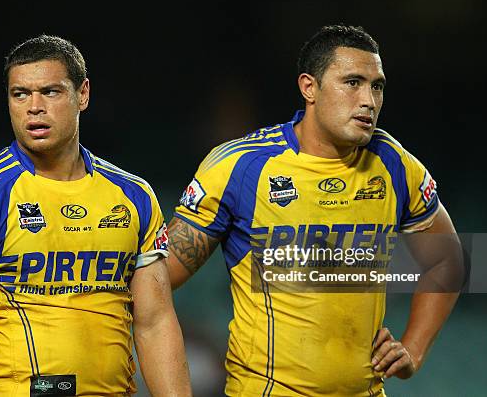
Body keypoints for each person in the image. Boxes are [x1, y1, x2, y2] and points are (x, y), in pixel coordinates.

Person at [167, 25, 463, 396]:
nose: (368, 100)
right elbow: (160, 276)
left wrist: (413, 350)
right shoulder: (243, 166)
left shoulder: (394, 164)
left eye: (377, 86)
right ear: (309, 87)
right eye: (352, 82)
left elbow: (448, 260)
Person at [0, 35, 191, 397]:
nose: (33, 107)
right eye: (20, 94)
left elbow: (156, 323)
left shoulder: (135, 197)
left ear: (82, 94)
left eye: (50, 92)